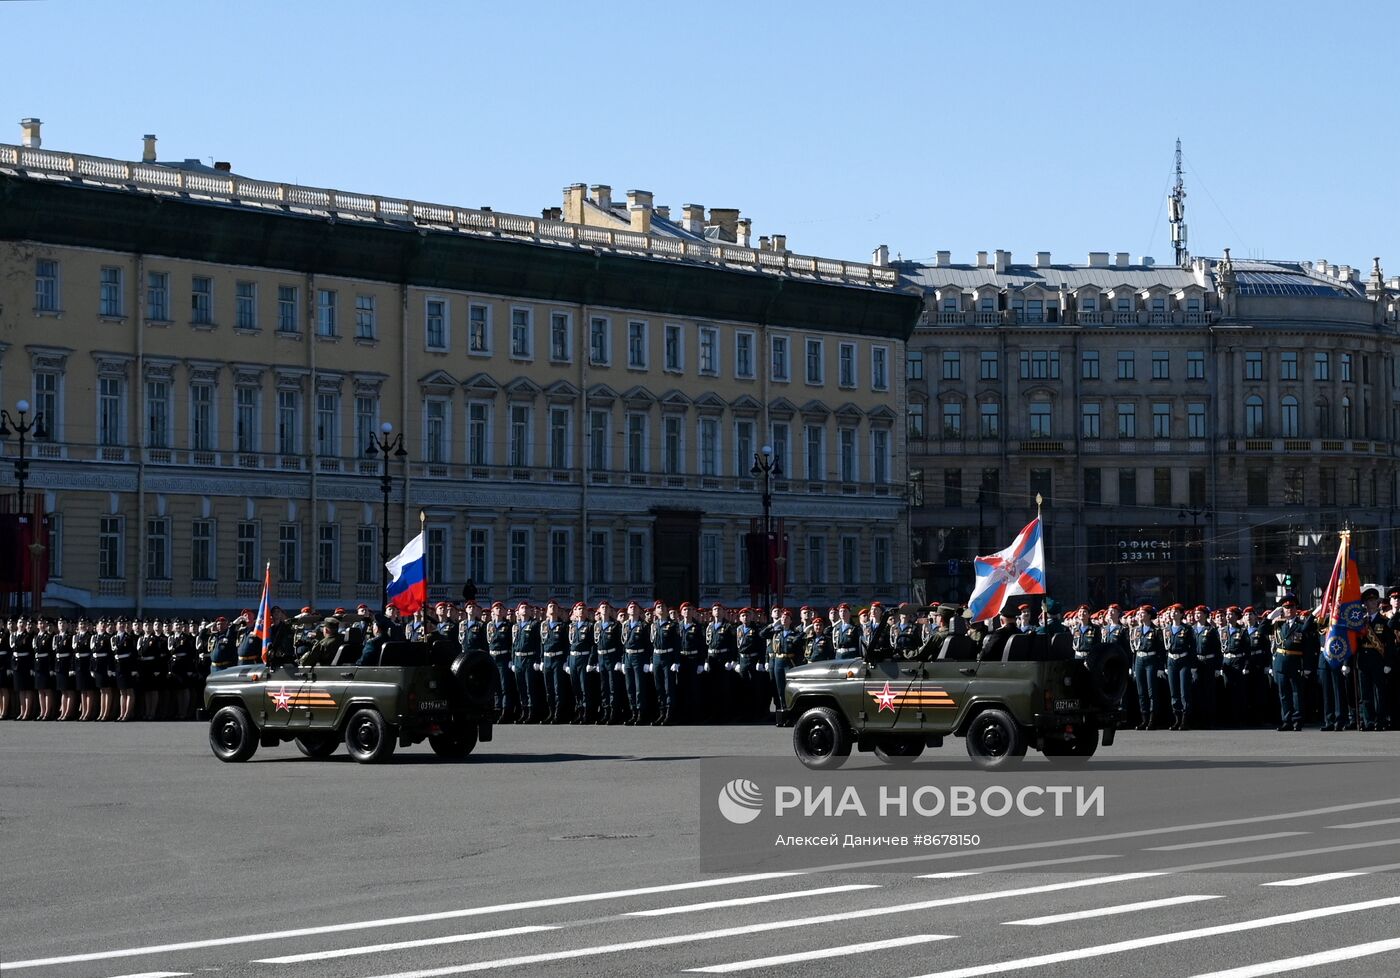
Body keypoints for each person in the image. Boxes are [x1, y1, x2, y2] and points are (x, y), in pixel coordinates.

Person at [1272, 598, 1313, 732]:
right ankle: (1286, 721)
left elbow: (1307, 648)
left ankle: (1297, 721)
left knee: (1296, 694)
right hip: (1280, 663)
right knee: (1283, 694)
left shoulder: (1301, 625)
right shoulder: (1279, 625)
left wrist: (1306, 667)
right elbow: (1262, 629)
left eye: (1291, 607)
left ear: (1296, 609)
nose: (1289, 610)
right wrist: (1272, 615)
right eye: (1286, 607)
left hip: (1295, 662)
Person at [1358, 588, 1392, 731]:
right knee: (1365, 693)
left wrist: (1388, 663)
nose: (1370, 604)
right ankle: (1368, 721)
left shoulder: (1384, 621)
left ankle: (1380, 720)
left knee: (1379, 692)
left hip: (1378, 660)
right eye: (1368, 601)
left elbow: (1389, 644)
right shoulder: (1361, 622)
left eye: (1373, 600)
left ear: (1378, 602)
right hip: (1363, 660)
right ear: (1364, 604)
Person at [1129, 605, 1164, 730]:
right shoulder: (1136, 630)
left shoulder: (1156, 631)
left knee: (1151, 691)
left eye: (1142, 613)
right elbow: (1134, 650)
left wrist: (1160, 667)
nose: (1139, 615)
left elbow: (1161, 650)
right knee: (1141, 691)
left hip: (1151, 660)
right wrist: (1133, 667)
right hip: (1139, 659)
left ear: (1149, 615)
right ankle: (1144, 719)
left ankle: (1152, 719)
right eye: (1139, 613)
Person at [592, 600, 623, 725]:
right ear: (599, 610)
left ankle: (614, 713)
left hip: (612, 657)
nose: (604, 609)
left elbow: (620, 645)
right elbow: (595, 645)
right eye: (602, 607)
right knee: (604, 687)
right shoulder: (597, 625)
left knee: (612, 687)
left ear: (610, 610)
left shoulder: (615, 625)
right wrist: (594, 661)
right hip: (601, 658)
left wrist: (619, 661)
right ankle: (605, 712)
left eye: (606, 607)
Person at [650, 600, 680, 725]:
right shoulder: (654, 625)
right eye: (658, 607)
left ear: (667, 610)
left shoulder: (673, 625)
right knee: (659, 687)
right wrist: (651, 661)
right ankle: (661, 713)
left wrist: (676, 661)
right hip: (657, 656)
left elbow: (677, 644)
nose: (661, 608)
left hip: (668, 657)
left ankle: (669, 714)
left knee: (669, 687)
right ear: (655, 611)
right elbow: (651, 644)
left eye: (663, 606)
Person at [538, 600, 569, 724]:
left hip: (558, 659)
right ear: (547, 611)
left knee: (558, 688)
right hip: (546, 659)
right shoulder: (543, 626)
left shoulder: (562, 626)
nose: (552, 608)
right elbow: (541, 644)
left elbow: (567, 645)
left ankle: (558, 714)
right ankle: (551, 713)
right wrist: (541, 659)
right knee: (549, 689)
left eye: (555, 607)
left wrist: (566, 661)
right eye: (550, 606)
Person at [510, 602, 541, 723]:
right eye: (522, 608)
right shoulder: (516, 626)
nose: (524, 609)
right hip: (518, 659)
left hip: (529, 659)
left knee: (530, 687)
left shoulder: (534, 624)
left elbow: (538, 643)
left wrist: (538, 660)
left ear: (530, 611)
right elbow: (513, 645)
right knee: (521, 687)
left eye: (526, 608)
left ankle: (532, 712)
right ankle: (524, 711)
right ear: (518, 611)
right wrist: (512, 660)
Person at [486, 601, 516, 723]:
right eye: (496, 608)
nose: (498, 610)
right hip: (492, 658)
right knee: (495, 686)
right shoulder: (489, 626)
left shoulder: (508, 626)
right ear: (492, 611)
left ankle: (505, 711)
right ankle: (496, 709)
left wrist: (511, 659)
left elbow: (513, 644)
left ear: (504, 612)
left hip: (503, 658)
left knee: (504, 687)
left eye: (500, 608)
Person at [621, 601, 650, 725]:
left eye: (635, 607)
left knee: (639, 688)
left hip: (639, 656)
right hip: (628, 656)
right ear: (628, 611)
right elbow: (622, 644)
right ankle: (633, 712)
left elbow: (648, 645)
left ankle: (641, 714)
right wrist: (623, 661)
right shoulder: (625, 625)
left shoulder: (643, 625)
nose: (632, 609)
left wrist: (647, 661)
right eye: (630, 607)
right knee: (630, 687)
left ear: (639, 611)